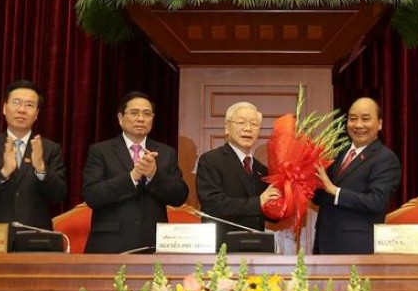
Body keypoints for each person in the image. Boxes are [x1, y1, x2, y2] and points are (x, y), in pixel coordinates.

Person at [82, 91, 189, 253]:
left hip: (153, 243)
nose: (141, 118)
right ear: (120, 118)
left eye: (147, 114)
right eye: (134, 113)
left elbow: (179, 196)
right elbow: (92, 195)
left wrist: (154, 175)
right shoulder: (101, 151)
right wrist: (132, 177)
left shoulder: (166, 153)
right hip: (109, 243)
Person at [0, 80, 67, 229]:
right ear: (5, 108)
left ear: (37, 113)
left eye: (29, 105)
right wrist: (3, 173)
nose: (22, 110)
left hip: (34, 236)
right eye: (16, 102)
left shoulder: (50, 149)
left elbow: (59, 195)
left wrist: (41, 170)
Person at [313, 97, 402, 254]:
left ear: (380, 123)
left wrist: (335, 191)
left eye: (365, 119)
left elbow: (377, 202)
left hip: (357, 248)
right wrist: (304, 180)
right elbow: (322, 196)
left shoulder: (385, 158)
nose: (358, 125)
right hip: (325, 243)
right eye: (353, 119)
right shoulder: (338, 152)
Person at [195, 101, 281, 246]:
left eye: (254, 124)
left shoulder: (262, 170)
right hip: (221, 247)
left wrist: (284, 202)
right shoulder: (211, 161)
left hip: (256, 246)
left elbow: (270, 215)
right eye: (241, 123)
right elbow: (213, 204)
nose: (248, 129)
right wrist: (258, 202)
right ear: (227, 127)